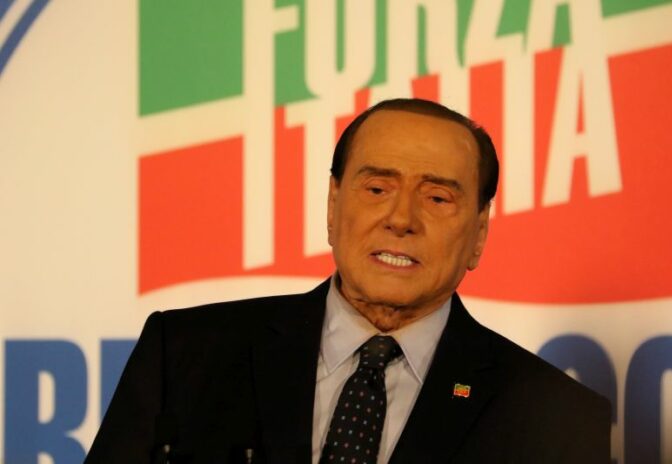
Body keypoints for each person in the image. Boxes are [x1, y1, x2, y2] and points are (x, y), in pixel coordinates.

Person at [86, 98, 610, 463]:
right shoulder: (184, 356)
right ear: (333, 206)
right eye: (377, 188)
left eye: (437, 197)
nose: (401, 219)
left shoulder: (557, 418)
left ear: (478, 234)